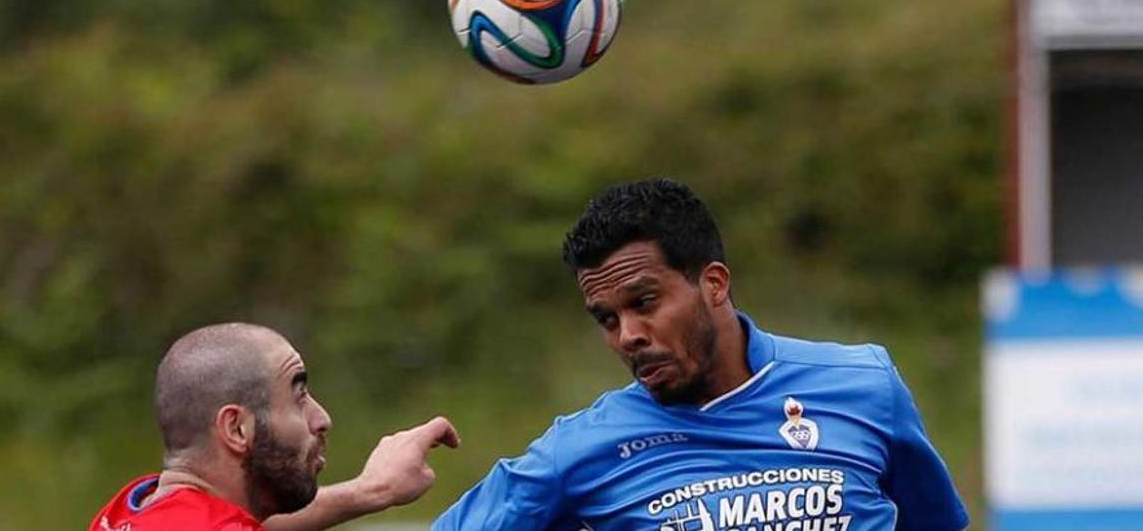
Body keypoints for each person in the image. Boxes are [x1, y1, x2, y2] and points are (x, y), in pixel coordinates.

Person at [433, 179, 969, 530]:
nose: (628, 335)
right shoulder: (578, 450)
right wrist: (367, 493)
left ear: (713, 284)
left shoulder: (864, 385)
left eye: (644, 303)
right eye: (606, 318)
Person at [90, 323, 459, 531]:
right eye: (298, 398)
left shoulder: (131, 508)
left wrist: (372, 489)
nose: (322, 419)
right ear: (236, 429)